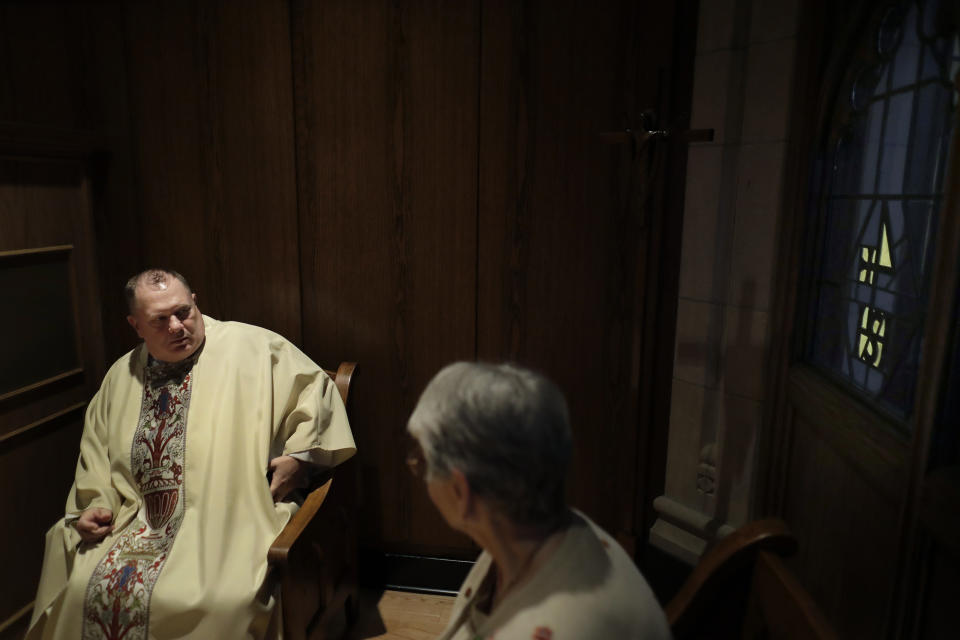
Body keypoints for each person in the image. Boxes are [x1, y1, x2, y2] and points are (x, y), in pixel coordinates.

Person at [27, 269, 356, 640]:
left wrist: (302, 458)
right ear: (135, 325)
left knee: (224, 601)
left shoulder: (257, 348)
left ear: (195, 301)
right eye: (159, 320)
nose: (177, 326)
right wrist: (93, 506)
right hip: (136, 521)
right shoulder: (122, 375)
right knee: (82, 590)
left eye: (183, 312)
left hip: (232, 519)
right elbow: (95, 458)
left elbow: (318, 395)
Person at [406, 362, 671, 640]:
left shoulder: (556, 628)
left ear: (461, 492)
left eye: (422, 461)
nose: (418, 470)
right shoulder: (527, 533)